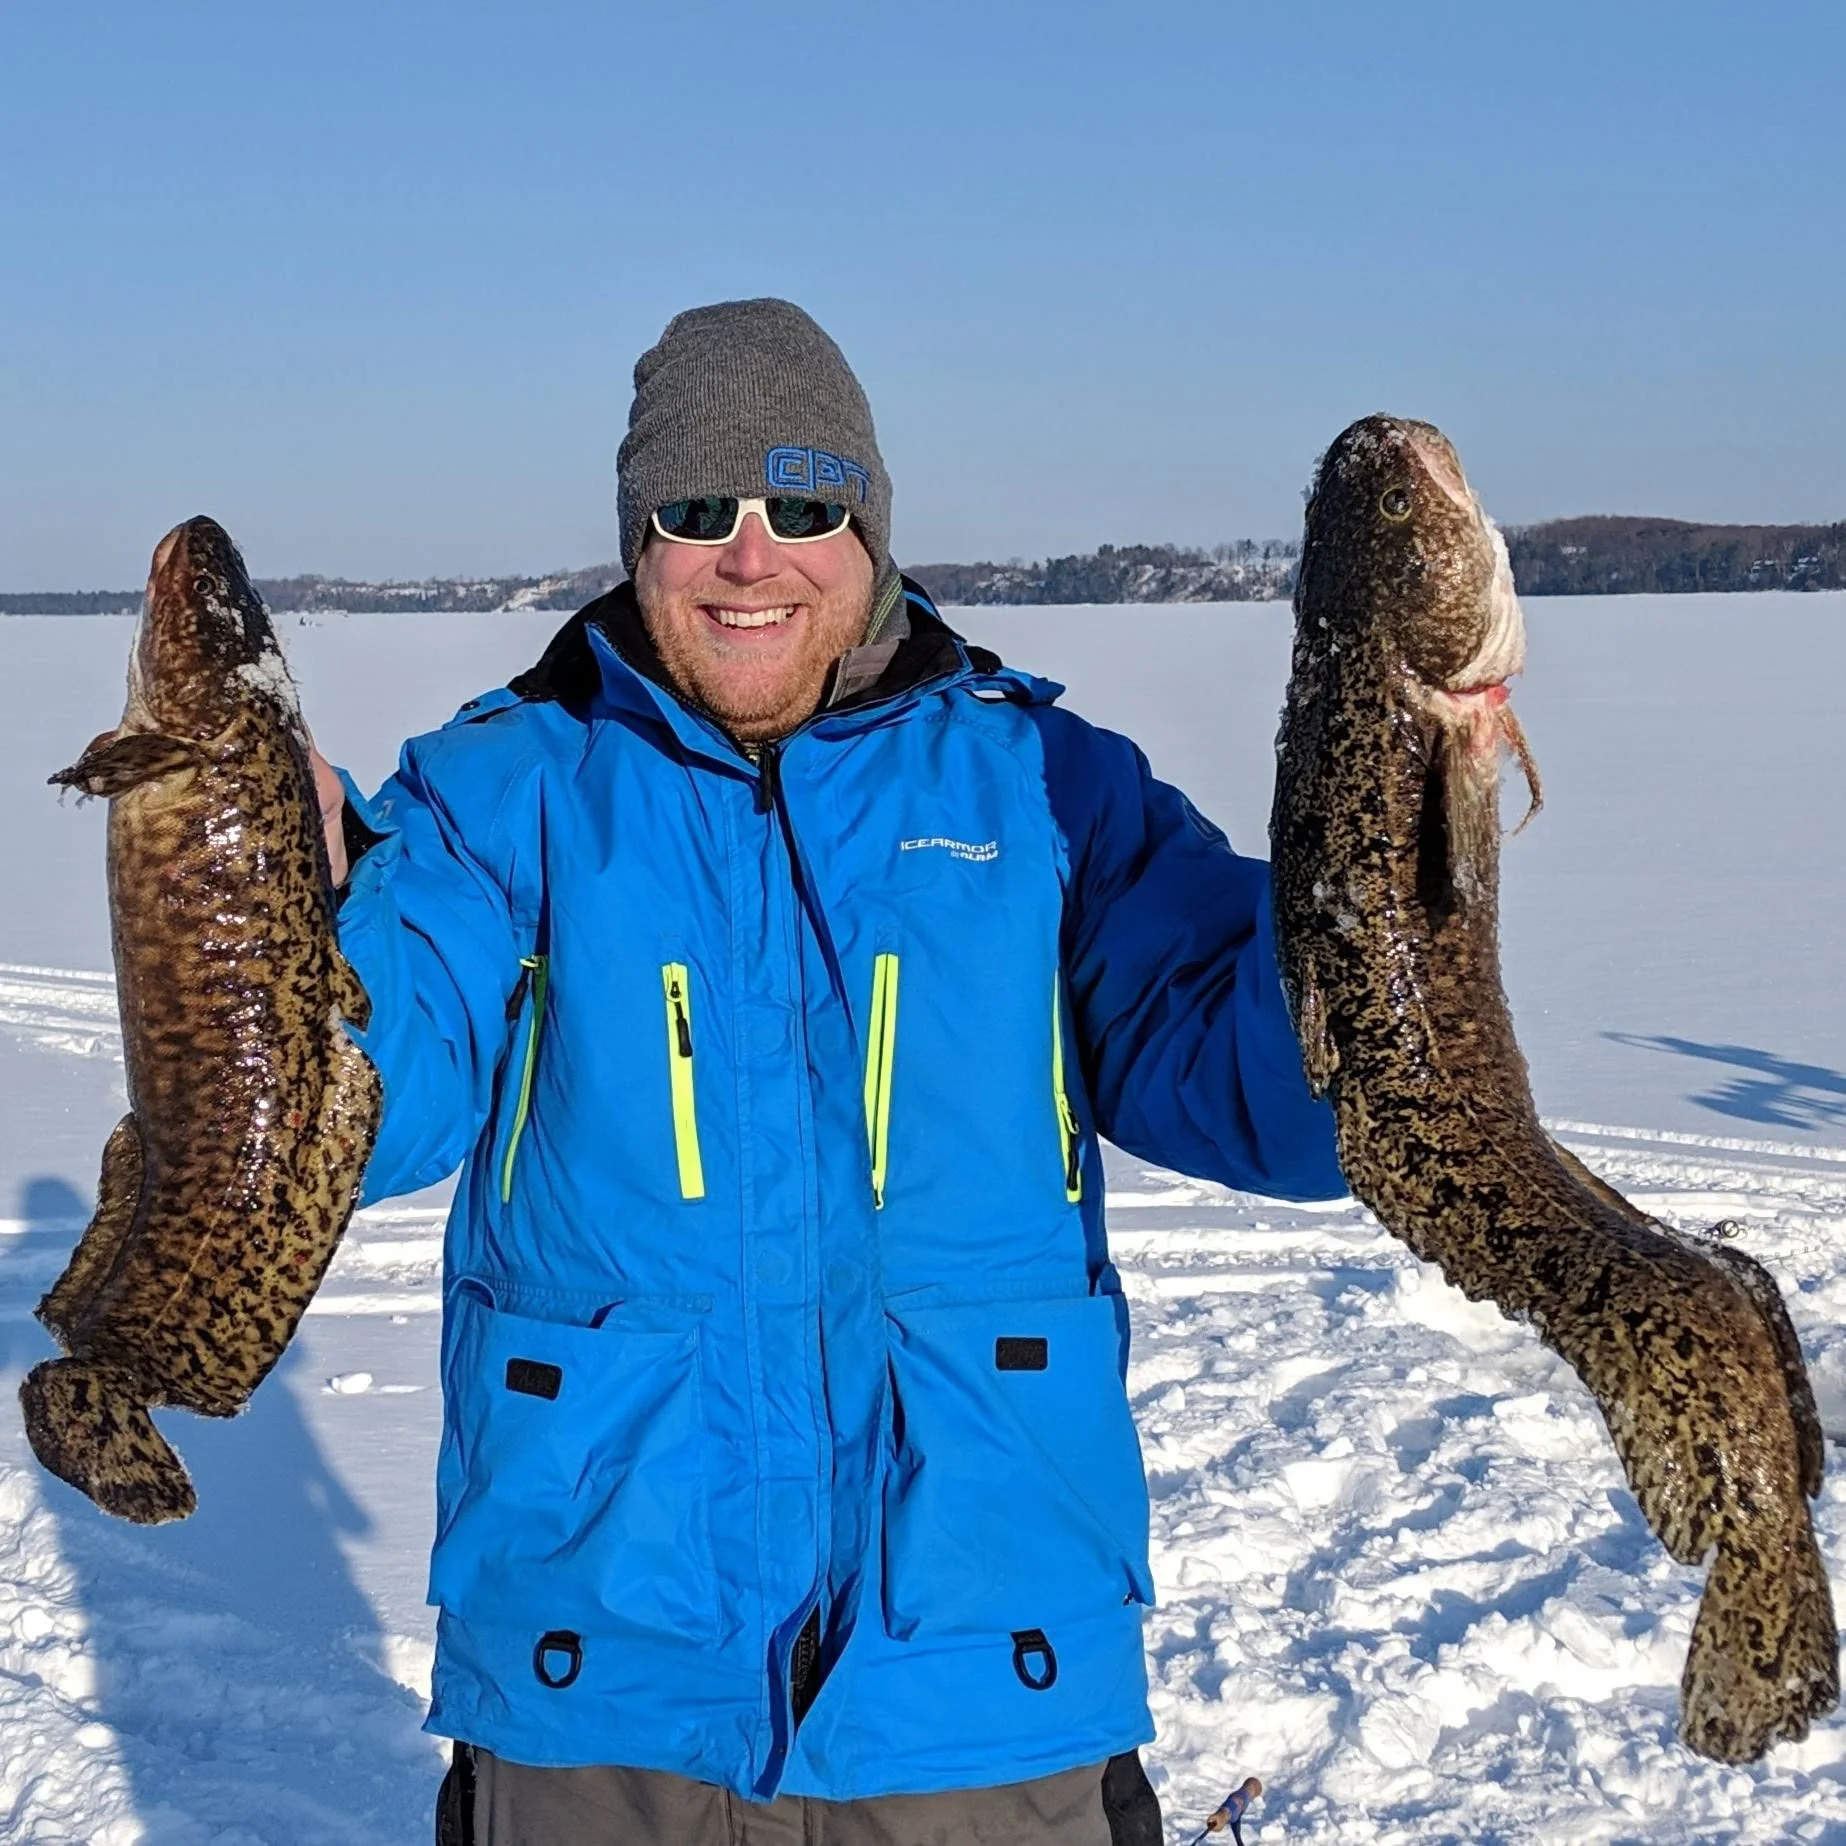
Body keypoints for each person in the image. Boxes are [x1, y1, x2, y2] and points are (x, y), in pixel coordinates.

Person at [313, 299, 1344, 1846]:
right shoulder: (498, 792)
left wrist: (1388, 865)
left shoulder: (1042, 786)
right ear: (635, 539)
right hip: (603, 1682)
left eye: (800, 508)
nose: (750, 557)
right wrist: (276, 938)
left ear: (866, 531)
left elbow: (1286, 1096)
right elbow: (361, 1110)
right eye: (694, 512)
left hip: (976, 1680)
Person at [1202, 1776, 1264, 1844]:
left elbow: (1228, 1810)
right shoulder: (1242, 1799)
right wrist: (1220, 1817)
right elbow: (1228, 1810)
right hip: (1233, 1808)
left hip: (1234, 1808)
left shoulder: (1242, 1798)